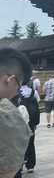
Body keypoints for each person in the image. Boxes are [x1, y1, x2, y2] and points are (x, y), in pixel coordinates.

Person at [0, 48, 32, 178]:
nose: (16, 92)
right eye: (18, 87)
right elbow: (7, 173)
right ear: (11, 80)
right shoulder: (6, 115)